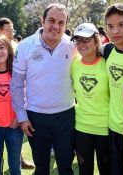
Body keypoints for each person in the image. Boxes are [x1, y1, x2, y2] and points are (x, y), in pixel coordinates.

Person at [10, 3, 76, 175]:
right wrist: (22, 117)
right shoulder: (25, 46)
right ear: (42, 20)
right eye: (51, 20)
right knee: (41, 168)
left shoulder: (72, 45)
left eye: (61, 23)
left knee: (65, 166)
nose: (56, 26)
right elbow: (16, 84)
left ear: (66, 25)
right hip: (36, 117)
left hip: (66, 115)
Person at [0, 17, 35, 170]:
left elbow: (22, 87)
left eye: (13, 30)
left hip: (14, 117)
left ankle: (20, 159)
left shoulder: (17, 47)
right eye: (9, 29)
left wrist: (20, 114)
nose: (12, 32)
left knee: (15, 163)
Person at [70, 23, 109, 175]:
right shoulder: (73, 64)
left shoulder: (107, 64)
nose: (81, 44)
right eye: (78, 40)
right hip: (81, 127)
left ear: (96, 40)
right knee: (85, 171)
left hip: (105, 128)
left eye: (86, 40)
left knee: (106, 170)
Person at [102, 4, 123, 175]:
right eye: (110, 26)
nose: (115, 30)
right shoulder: (107, 50)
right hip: (112, 127)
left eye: (121, 25)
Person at [0, 34, 24, 174]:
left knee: (15, 167)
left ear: (8, 49)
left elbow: (27, 96)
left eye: (1, 47)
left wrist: (20, 116)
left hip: (15, 127)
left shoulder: (18, 73)